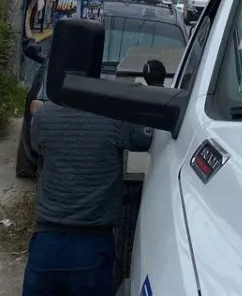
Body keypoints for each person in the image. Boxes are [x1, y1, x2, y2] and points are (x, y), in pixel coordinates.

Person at [22, 97, 152, 296]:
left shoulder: (45, 115)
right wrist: (154, 90)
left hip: (47, 244)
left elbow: (35, 151)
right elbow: (146, 138)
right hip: (92, 247)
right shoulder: (115, 116)